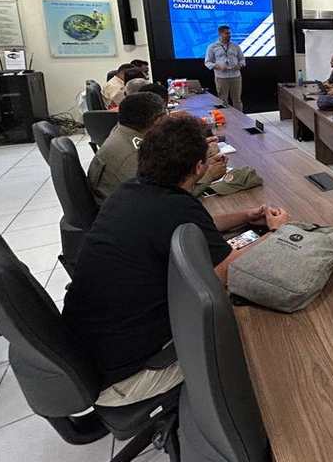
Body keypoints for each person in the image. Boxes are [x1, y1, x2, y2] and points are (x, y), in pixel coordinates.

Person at [63, 117, 292, 407]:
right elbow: (225, 271)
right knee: (254, 334)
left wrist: (245, 216)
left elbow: (195, 223)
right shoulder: (176, 206)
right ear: (199, 168)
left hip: (89, 353)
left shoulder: (129, 191)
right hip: (128, 377)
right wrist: (278, 232)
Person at [87, 93, 228, 203]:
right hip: (135, 221)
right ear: (157, 121)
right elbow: (166, 199)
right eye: (165, 113)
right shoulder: (133, 154)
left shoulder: (123, 131)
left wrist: (197, 150)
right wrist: (208, 175)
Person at [204, 25, 246, 111]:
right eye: (227, 33)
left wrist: (240, 65)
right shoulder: (212, 46)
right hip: (222, 78)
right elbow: (207, 62)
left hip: (236, 77)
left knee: (237, 100)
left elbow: (242, 59)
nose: (229, 35)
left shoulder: (235, 46)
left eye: (230, 33)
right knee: (223, 101)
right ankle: (227, 120)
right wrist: (218, 67)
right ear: (220, 34)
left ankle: (241, 120)